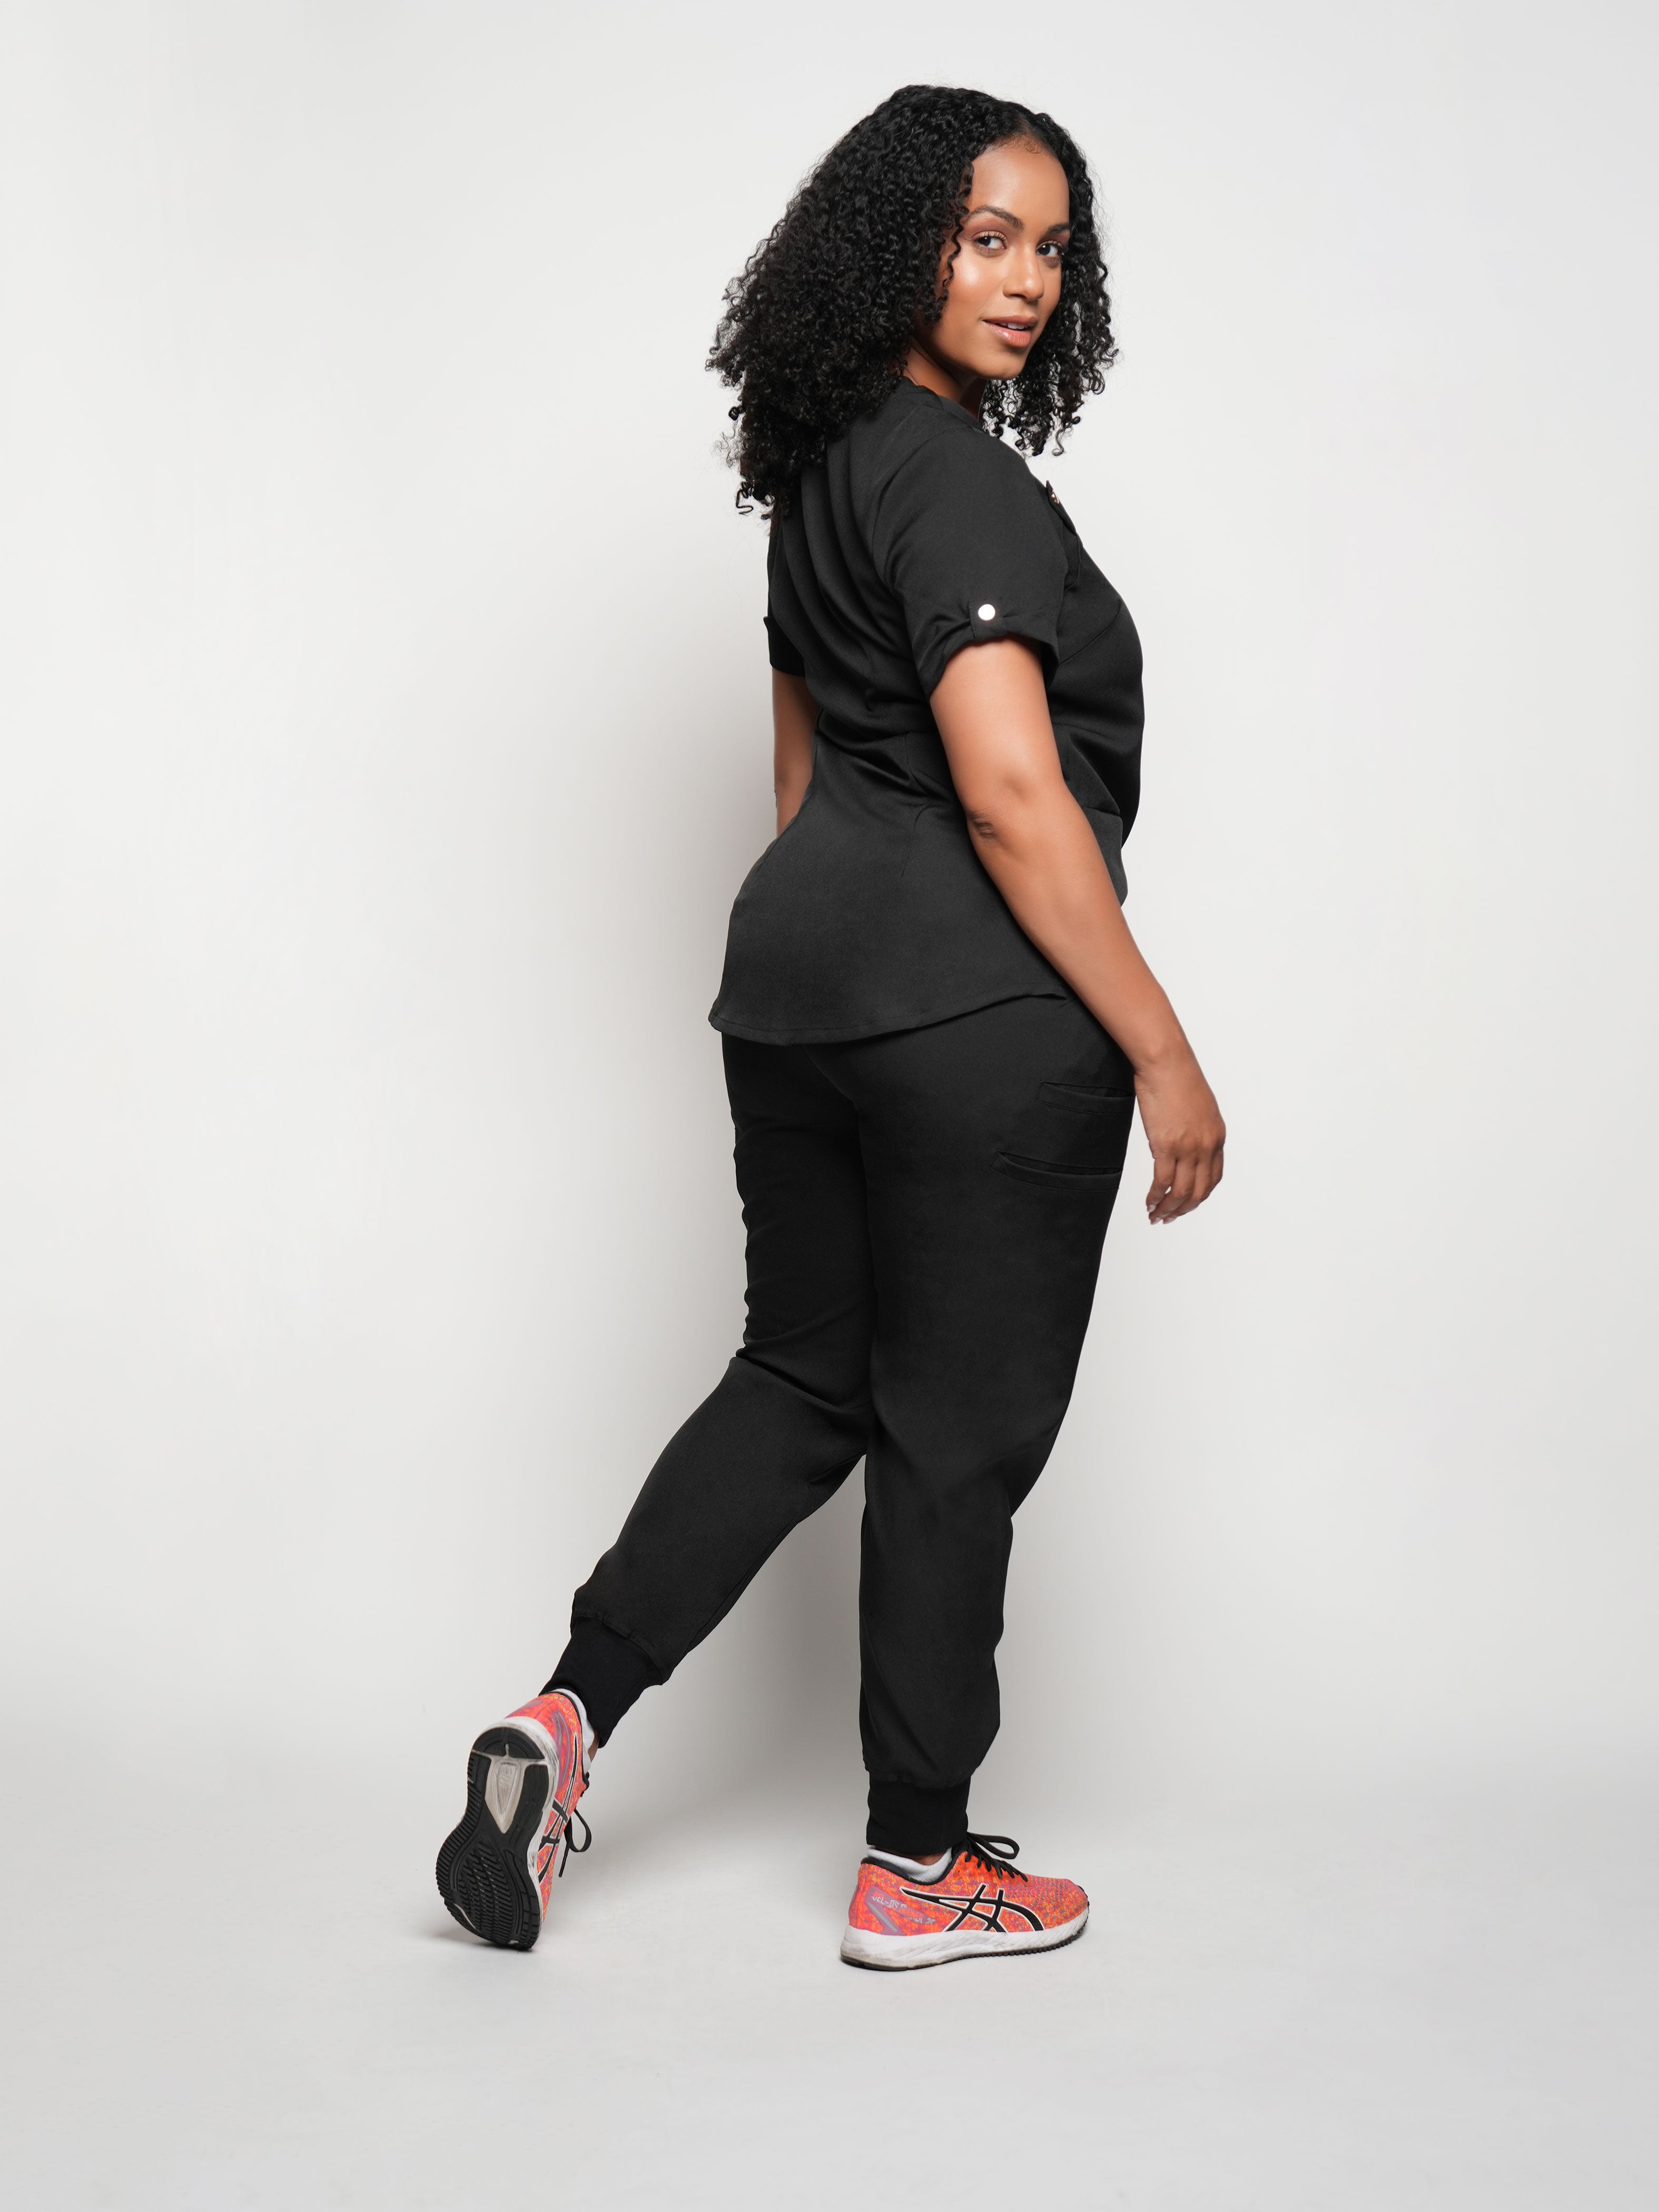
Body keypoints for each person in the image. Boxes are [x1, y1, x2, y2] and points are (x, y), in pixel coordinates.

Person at [437, 83, 1224, 1971]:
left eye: (1053, 248)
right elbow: (1013, 794)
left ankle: (567, 1713)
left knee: (801, 1379)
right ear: (896, 245)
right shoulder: (959, 480)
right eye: (987, 237)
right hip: (981, 1012)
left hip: (795, 992)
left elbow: (802, 787)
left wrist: (851, 972)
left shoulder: (820, 480)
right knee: (956, 1434)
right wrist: (1161, 1047)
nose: (1027, 280)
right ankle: (919, 1866)